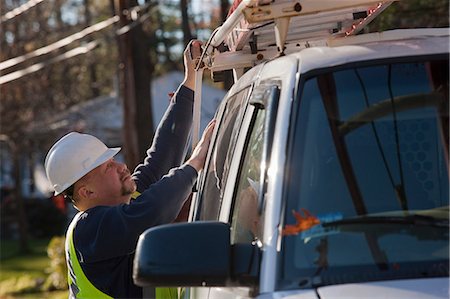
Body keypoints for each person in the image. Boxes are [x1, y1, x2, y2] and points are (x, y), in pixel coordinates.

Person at [44, 40, 215, 299]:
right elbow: (153, 211)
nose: (122, 166)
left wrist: (190, 80)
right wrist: (195, 164)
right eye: (108, 167)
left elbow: (161, 157)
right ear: (87, 191)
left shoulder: (123, 204)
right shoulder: (90, 230)